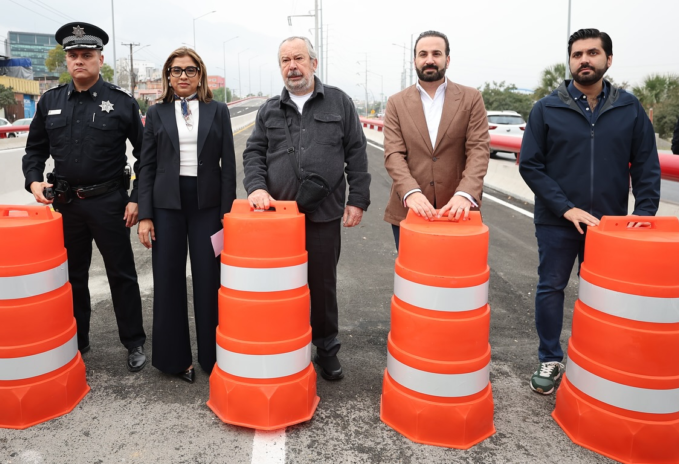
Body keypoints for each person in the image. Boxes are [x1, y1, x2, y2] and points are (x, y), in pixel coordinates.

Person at [519, 28, 660, 395]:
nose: (585, 59)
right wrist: (567, 209)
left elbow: (646, 165)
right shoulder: (546, 108)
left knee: (606, 296)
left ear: (608, 60)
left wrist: (644, 213)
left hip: (611, 224)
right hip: (557, 220)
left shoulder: (630, 108)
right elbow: (531, 166)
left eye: (593, 53)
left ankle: (598, 359)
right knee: (551, 287)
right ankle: (550, 358)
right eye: (577, 54)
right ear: (570, 61)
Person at [243, 35, 371, 381]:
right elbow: (253, 153)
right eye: (285, 60)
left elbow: (357, 153)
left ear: (314, 63)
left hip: (323, 215)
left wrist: (358, 199)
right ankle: (285, 344)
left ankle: (326, 349)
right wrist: (255, 188)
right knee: (279, 287)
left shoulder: (339, 103)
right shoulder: (269, 109)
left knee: (322, 286)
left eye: (299, 58)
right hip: (276, 220)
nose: (292, 66)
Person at [22, 22, 147, 372]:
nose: (80, 61)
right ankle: (79, 338)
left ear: (100, 59)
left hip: (109, 203)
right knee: (72, 275)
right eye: (73, 55)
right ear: (67, 60)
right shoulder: (50, 102)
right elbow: (34, 151)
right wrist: (33, 182)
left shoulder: (121, 102)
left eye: (87, 55)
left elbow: (145, 155)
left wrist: (137, 197)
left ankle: (134, 341)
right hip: (66, 205)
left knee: (121, 274)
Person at [136, 47, 236, 383]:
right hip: (166, 207)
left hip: (207, 207)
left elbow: (228, 168)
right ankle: (174, 360)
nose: (182, 76)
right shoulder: (156, 112)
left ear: (200, 75)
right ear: (167, 75)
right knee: (167, 281)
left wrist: (227, 214)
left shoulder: (217, 110)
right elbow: (146, 166)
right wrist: (145, 214)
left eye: (190, 70)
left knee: (210, 279)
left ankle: (213, 357)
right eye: (176, 70)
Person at [382, 31, 490, 247]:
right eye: (423, 54)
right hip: (409, 209)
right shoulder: (396, 103)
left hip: (458, 209)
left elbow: (479, 150)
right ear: (415, 60)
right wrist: (410, 193)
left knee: (455, 277)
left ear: (447, 60)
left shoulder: (471, 98)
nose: (429, 60)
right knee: (413, 278)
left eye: (436, 54)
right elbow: (394, 154)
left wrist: (465, 193)